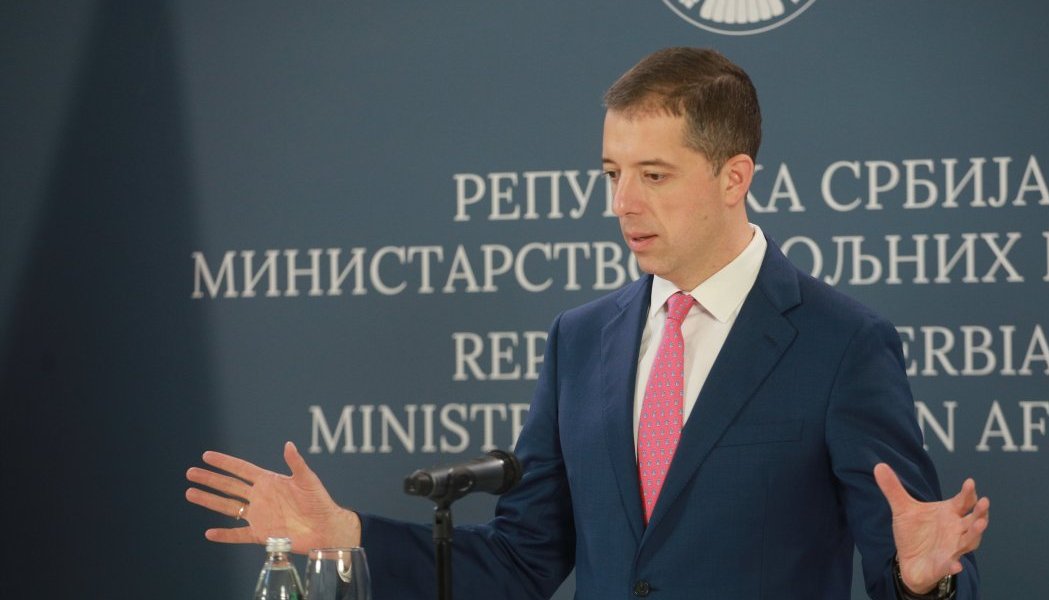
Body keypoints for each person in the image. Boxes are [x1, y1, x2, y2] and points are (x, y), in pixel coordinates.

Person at [186, 47, 988, 599]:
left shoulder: (841, 344)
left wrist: (927, 584)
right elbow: (521, 560)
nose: (622, 203)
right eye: (612, 173)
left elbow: (910, 554)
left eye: (654, 175)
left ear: (734, 177)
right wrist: (348, 533)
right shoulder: (580, 340)